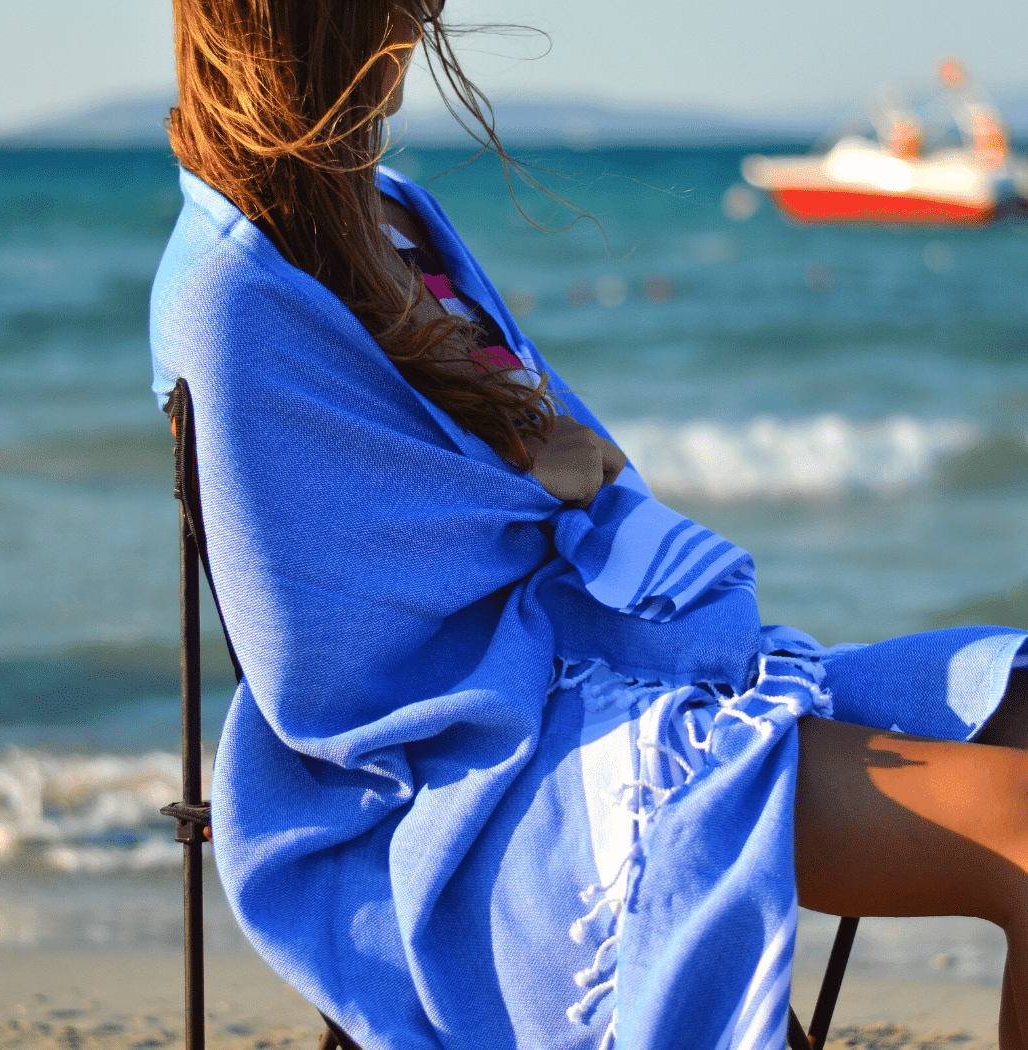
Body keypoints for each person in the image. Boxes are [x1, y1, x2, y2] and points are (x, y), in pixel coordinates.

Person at [150, 3, 1028, 1048]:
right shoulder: (233, 294)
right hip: (490, 757)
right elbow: (332, 654)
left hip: (614, 669)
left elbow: (577, 456)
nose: (417, 31)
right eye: (388, 8)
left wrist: (548, 478)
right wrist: (544, 482)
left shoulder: (393, 213)